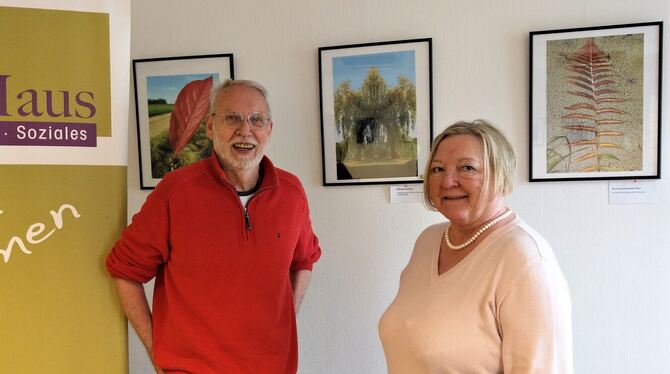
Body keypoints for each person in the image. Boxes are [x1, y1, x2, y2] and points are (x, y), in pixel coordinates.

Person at [106, 79, 321, 373]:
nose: (245, 130)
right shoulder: (175, 191)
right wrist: (157, 353)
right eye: (231, 117)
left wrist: (285, 322)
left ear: (269, 129)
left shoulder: (292, 193)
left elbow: (304, 260)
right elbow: (124, 270)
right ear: (209, 127)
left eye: (256, 119)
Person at [378, 120, 572, 373]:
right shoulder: (428, 241)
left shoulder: (525, 258)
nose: (447, 181)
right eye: (437, 169)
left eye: (467, 168)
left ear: (500, 174)